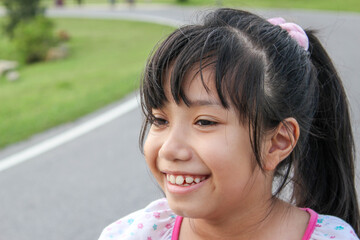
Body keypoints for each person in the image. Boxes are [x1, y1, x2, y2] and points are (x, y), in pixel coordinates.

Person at [99, 8, 360, 240]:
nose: (169, 149)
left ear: (277, 142)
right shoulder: (135, 233)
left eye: (204, 122)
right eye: (159, 120)